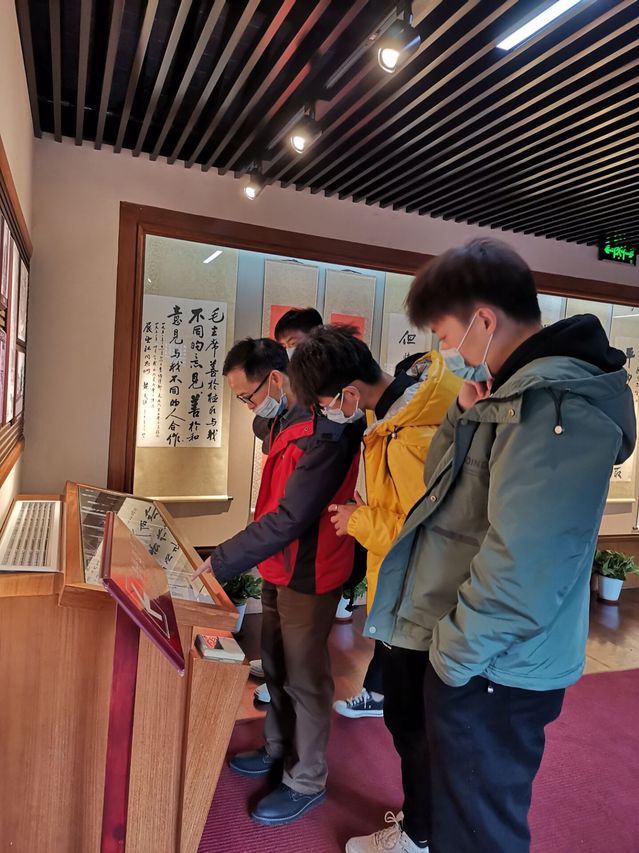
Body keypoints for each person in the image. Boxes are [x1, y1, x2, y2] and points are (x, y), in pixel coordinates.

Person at [347, 237, 635, 853]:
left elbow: (526, 569)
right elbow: (440, 492)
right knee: (457, 814)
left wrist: (453, 658)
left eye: (446, 335)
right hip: (475, 653)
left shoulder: (555, 408)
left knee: (480, 830)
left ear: (483, 320)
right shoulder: (505, 395)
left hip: (495, 664)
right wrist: (461, 412)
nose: (445, 352)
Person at [194, 337, 362, 827]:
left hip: (309, 569)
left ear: (275, 377)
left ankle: (306, 779)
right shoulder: (281, 418)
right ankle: (278, 748)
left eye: (248, 395)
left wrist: (223, 559)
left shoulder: (328, 429)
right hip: (277, 563)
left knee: (305, 678)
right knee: (275, 666)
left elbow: (291, 517)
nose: (248, 406)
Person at [288, 326, 460, 723]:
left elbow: (432, 535)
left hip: (420, 599)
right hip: (406, 592)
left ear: (349, 393)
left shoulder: (413, 436)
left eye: (323, 405)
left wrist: (360, 520)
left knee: (410, 723)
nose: (325, 414)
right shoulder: (389, 417)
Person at [251, 307, 324, 703]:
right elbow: (264, 431)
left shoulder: (324, 402)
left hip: (302, 534)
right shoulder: (284, 398)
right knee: (273, 607)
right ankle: (274, 672)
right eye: (282, 346)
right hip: (276, 527)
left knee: (295, 619)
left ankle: (287, 686)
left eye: (293, 345)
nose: (288, 354)